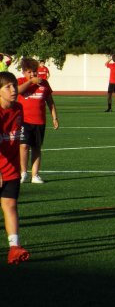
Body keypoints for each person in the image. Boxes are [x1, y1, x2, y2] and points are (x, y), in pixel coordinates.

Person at [0, 72, 30, 265]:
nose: (13, 90)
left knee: (10, 205)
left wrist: (21, 166)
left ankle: (14, 247)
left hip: (10, 169)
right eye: (7, 87)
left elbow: (19, 138)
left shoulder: (18, 108)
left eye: (14, 85)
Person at [17, 58, 59, 184]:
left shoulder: (44, 84)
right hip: (23, 121)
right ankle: (23, 173)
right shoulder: (20, 81)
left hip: (40, 121)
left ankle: (35, 175)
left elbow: (50, 102)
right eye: (29, 72)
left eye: (34, 72)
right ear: (24, 72)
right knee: (23, 146)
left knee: (36, 148)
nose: (33, 74)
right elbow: (18, 91)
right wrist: (30, 81)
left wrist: (55, 118)